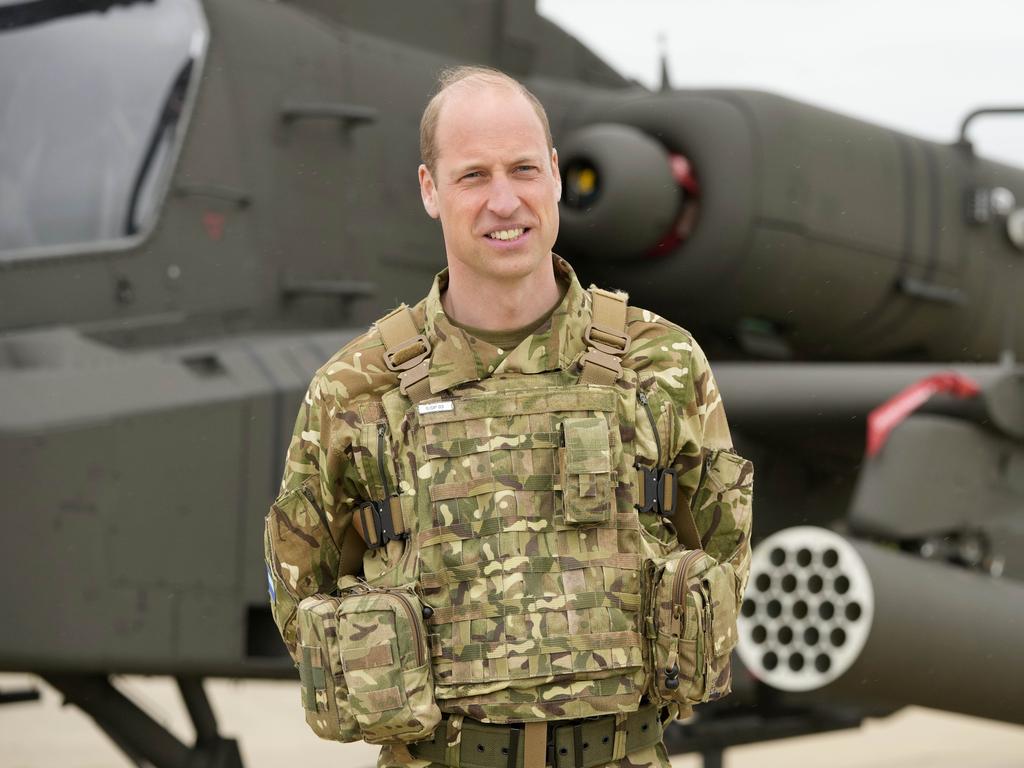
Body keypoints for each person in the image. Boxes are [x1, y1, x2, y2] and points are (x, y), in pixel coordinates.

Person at [264, 66, 752, 768]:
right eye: (473, 176)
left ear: (554, 175)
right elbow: (297, 581)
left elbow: (723, 544)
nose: (504, 201)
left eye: (523, 169)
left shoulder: (664, 364)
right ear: (431, 190)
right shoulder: (356, 386)